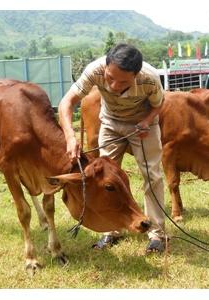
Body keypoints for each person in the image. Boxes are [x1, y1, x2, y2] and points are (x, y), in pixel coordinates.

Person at [58, 43, 166, 253]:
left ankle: (157, 234)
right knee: (103, 179)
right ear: (105, 67)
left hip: (142, 125)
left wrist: (147, 121)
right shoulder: (94, 70)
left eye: (123, 81)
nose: (115, 86)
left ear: (136, 75)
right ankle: (111, 231)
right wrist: (70, 136)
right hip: (110, 122)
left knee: (152, 175)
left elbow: (159, 104)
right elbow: (67, 102)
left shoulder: (150, 78)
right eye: (110, 78)